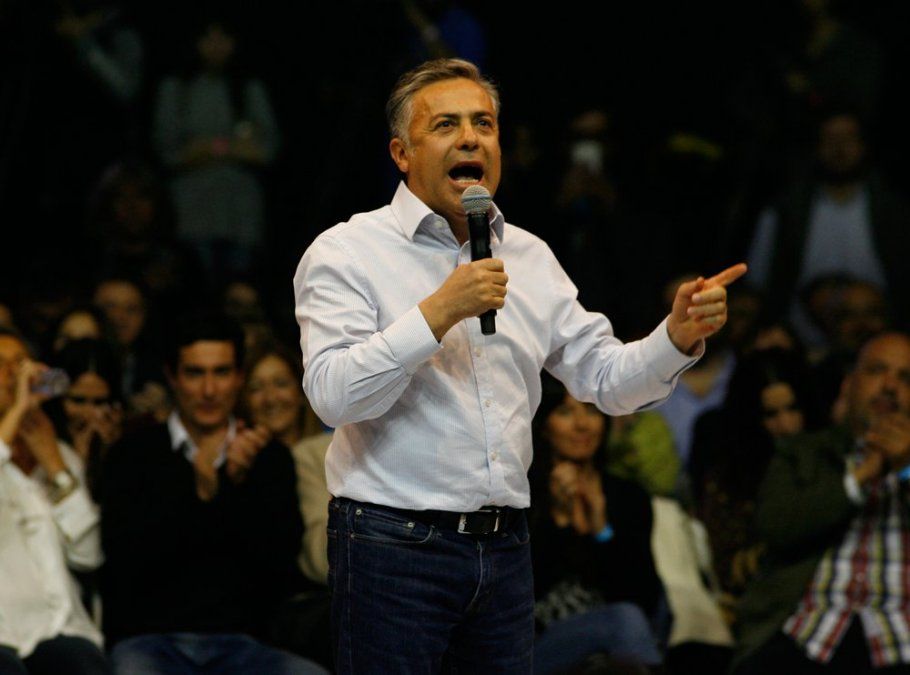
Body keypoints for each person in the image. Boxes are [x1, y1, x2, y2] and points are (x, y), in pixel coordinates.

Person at [293, 57, 745, 673]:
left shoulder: (530, 256)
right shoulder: (347, 251)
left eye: (484, 123)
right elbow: (332, 395)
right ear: (401, 153)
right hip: (391, 546)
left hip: (506, 546)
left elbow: (605, 380)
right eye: (446, 125)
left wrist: (675, 336)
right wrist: (438, 312)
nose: (470, 138)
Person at [99, 313, 325, 675]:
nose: (209, 390)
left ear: (238, 378)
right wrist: (202, 494)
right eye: (195, 373)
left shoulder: (266, 457)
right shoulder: (133, 453)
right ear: (172, 376)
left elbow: (277, 568)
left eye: (221, 373)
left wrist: (234, 487)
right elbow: (125, 563)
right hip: (151, 640)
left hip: (246, 643)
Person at [733, 332, 910, 674]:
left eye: (905, 378)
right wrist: (859, 477)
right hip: (809, 631)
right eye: (877, 371)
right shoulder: (803, 453)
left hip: (900, 638)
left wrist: (904, 469)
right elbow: (776, 527)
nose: (890, 386)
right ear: (848, 386)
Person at [529, 373, 664, 674]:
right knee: (624, 621)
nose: (582, 424)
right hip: (542, 641)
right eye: (565, 412)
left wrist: (602, 528)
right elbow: (523, 592)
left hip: (618, 636)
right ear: (544, 425)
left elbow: (643, 597)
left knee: (633, 618)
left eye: (591, 410)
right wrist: (560, 521)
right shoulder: (525, 496)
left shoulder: (627, 496)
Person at [0, 327, 110, 675]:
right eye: (1, 365)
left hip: (63, 629)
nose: (14, 376)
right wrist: (16, 412)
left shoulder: (56, 451)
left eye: (21, 364)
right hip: (5, 634)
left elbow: (88, 556)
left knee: (84, 664)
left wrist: (56, 468)